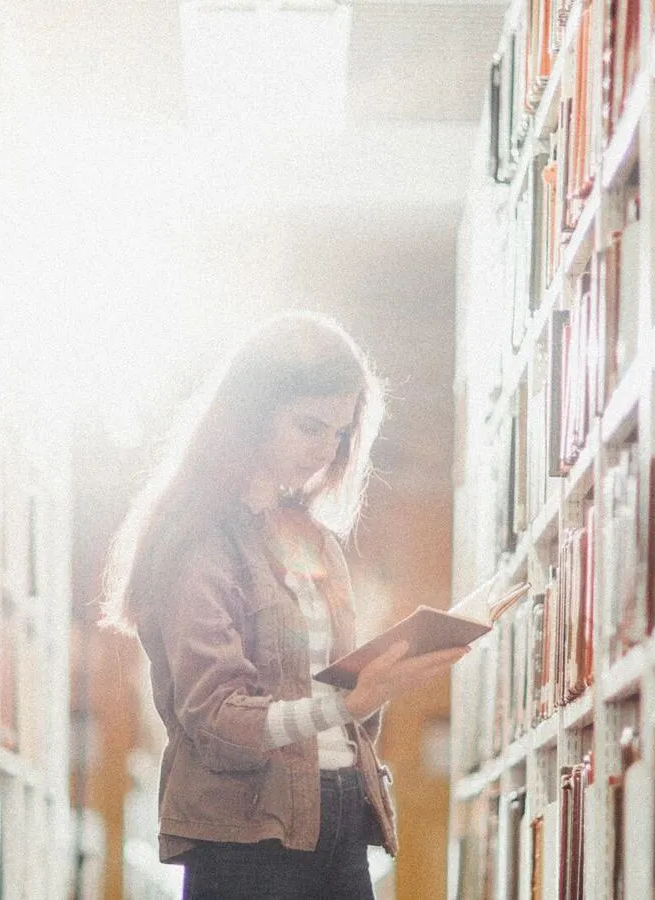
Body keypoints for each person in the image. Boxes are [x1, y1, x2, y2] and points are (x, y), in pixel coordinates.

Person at [101, 311, 467, 899]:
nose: (326, 450)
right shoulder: (199, 538)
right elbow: (216, 717)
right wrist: (344, 702)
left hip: (341, 817)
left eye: (341, 434)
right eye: (309, 426)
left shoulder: (313, 539)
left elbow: (335, 700)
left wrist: (374, 683)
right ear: (250, 415)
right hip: (247, 836)